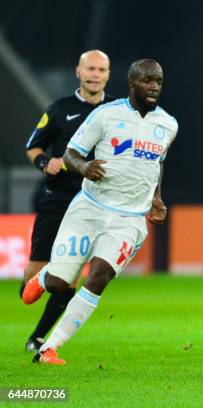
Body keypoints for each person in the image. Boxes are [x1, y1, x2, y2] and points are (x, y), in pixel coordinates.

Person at [21, 59, 178, 365]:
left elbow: (157, 163)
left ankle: (49, 348)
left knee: (100, 276)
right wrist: (83, 167)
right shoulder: (106, 115)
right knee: (59, 283)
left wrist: (157, 197)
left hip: (129, 218)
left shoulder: (168, 124)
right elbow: (71, 152)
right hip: (90, 209)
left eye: (158, 81)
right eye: (147, 81)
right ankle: (45, 277)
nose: (154, 87)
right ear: (132, 83)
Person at [22, 50, 113, 352]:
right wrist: (44, 163)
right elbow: (33, 148)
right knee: (28, 284)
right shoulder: (60, 109)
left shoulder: (116, 111)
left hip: (94, 202)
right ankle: (43, 279)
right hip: (58, 198)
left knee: (70, 278)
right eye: (90, 69)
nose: (95, 74)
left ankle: (38, 338)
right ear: (78, 71)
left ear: (108, 75)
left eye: (101, 70)